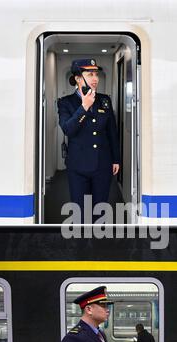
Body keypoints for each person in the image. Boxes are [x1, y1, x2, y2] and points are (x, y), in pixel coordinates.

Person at [57, 58, 120, 222]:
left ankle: (98, 245)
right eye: (90, 74)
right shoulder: (66, 103)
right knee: (80, 212)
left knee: (100, 210)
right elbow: (68, 129)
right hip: (78, 166)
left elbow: (111, 132)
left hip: (102, 164)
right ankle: (81, 245)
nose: (95, 78)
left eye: (96, 74)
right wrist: (84, 107)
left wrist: (116, 159)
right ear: (78, 78)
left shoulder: (104, 100)